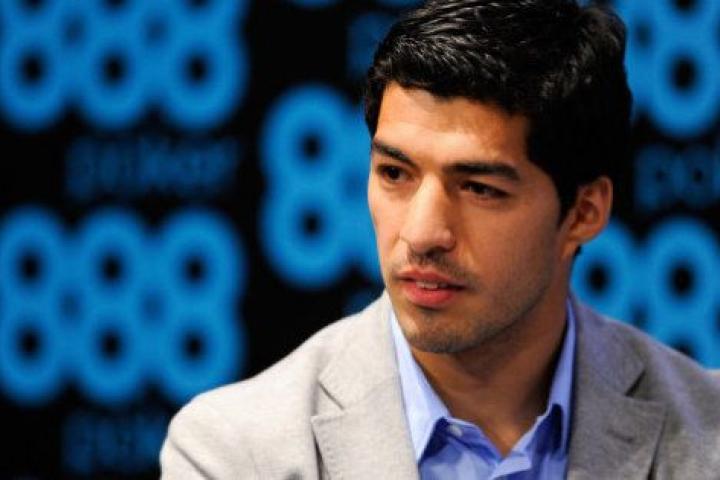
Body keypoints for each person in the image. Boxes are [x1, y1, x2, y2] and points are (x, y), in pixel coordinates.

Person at [160, 1, 720, 478]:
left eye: (479, 188)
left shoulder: (708, 437)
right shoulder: (234, 453)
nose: (422, 233)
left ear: (584, 212)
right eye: (394, 174)